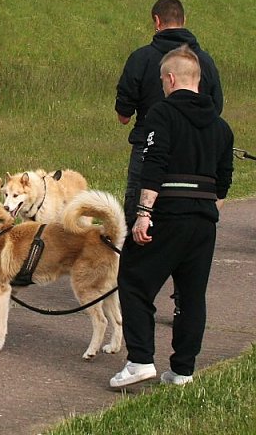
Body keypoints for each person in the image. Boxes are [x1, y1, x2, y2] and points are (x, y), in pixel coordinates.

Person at [110, 45, 233, 389]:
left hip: (167, 213)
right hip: (203, 220)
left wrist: (143, 214)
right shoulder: (221, 127)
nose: (163, 86)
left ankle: (139, 361)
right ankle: (182, 370)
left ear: (171, 78)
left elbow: (154, 164)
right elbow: (224, 181)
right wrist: (206, 214)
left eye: (163, 81)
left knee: (134, 281)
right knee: (191, 296)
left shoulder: (161, 114)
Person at [115, 0, 223, 221]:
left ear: (157, 21)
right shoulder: (205, 62)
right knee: (186, 218)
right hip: (194, 152)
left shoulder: (141, 58)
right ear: (184, 20)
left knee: (137, 216)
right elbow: (216, 110)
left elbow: (123, 116)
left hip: (148, 147)